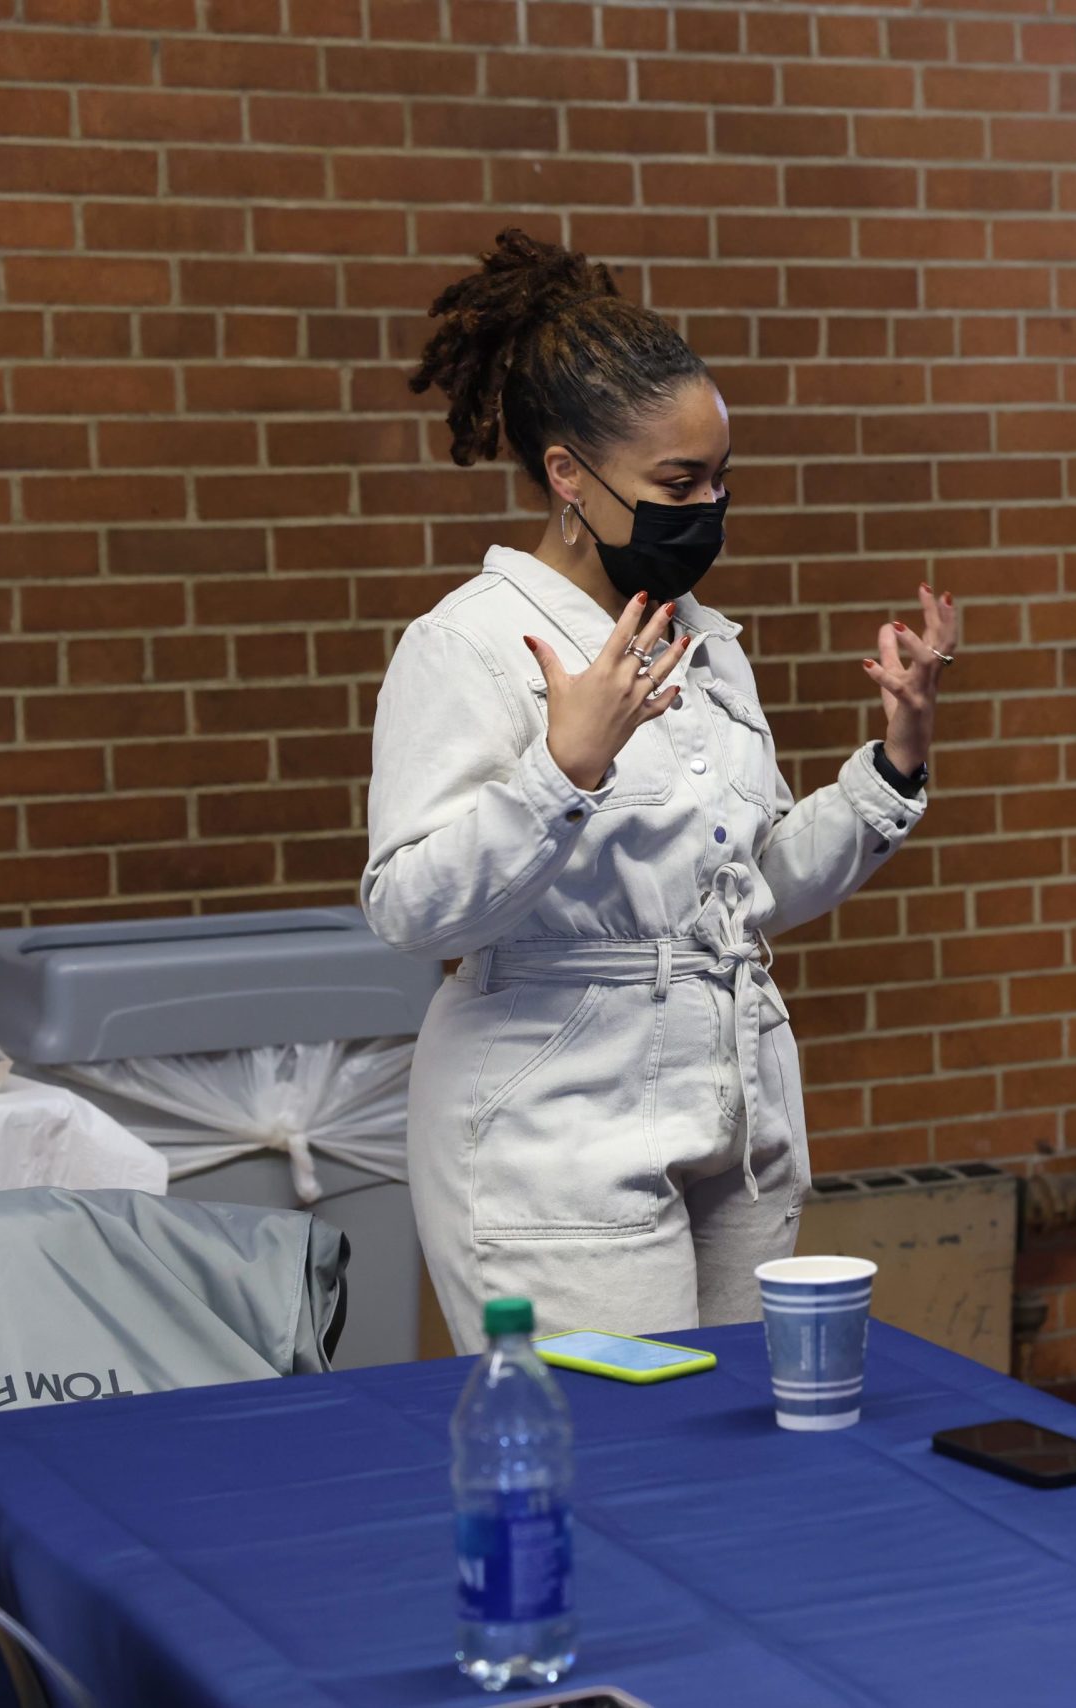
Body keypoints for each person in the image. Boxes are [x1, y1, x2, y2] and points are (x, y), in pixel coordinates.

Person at [360, 230, 960, 1351]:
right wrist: (559, 772)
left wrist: (892, 763)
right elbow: (408, 908)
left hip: (736, 1108)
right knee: (616, 1466)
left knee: (732, 1451)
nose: (709, 506)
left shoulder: (704, 644)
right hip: (555, 1114)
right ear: (566, 474)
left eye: (720, 477)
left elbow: (753, 888)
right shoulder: (472, 645)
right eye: (678, 483)